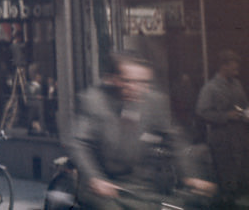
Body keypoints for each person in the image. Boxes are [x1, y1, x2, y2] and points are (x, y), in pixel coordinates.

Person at [68, 51, 215, 209]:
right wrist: (95, 178)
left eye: (144, 83)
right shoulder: (93, 100)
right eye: (128, 81)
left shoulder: (155, 102)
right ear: (113, 79)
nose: (137, 88)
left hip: (139, 186)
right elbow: (80, 144)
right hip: (100, 184)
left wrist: (191, 176)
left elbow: (175, 142)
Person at [195, 49, 249, 205]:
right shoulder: (210, 88)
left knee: (241, 176)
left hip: (240, 137)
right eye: (233, 68)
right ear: (223, 67)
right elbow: (201, 112)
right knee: (226, 179)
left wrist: (244, 113)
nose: (236, 72)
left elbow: (243, 105)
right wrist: (226, 116)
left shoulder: (237, 84)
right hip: (222, 140)